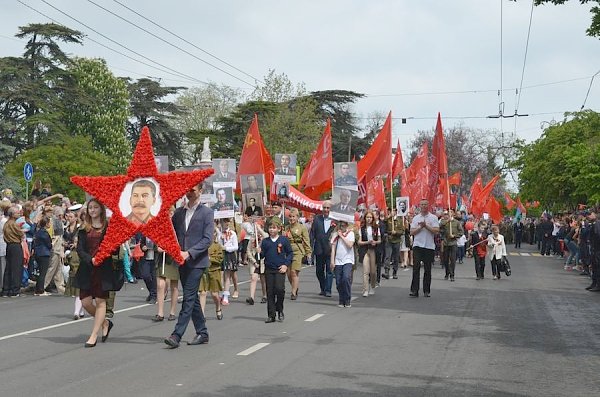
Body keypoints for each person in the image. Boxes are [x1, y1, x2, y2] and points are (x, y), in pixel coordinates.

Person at [164, 184, 214, 348]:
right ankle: (203, 332)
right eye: (187, 190)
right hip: (181, 261)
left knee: (188, 298)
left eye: (193, 190)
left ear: (200, 191)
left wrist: (189, 253)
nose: (189, 193)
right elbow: (170, 233)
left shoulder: (206, 213)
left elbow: (207, 240)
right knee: (191, 298)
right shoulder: (179, 213)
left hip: (197, 262)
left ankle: (177, 335)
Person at [75, 199, 115, 347]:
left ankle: (93, 335)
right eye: (90, 208)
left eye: (95, 207)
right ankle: (105, 323)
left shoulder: (108, 227)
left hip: (103, 269)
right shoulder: (84, 228)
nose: (92, 210)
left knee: (100, 301)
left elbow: (114, 249)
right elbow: (80, 249)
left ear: (101, 209)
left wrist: (104, 255)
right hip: (87, 267)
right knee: (85, 302)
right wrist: (90, 259)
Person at [257, 218, 292, 323]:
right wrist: (258, 252)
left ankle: (279, 309)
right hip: (269, 269)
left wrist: (286, 265)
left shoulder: (283, 240)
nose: (272, 230)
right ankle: (271, 314)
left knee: (280, 289)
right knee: (270, 292)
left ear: (279, 228)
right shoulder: (265, 241)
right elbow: (261, 256)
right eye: (270, 228)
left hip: (280, 269)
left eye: (274, 228)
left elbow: (290, 253)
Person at [409, 199, 440, 298]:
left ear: (428, 205)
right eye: (422, 204)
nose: (423, 206)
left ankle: (426, 290)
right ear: (419, 206)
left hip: (429, 246)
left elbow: (436, 231)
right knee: (416, 268)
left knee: (427, 269)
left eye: (425, 204)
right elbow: (412, 232)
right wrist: (420, 227)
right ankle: (414, 290)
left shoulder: (433, 218)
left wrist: (426, 226)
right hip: (417, 245)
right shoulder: (416, 218)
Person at [285, 208, 311, 300]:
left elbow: (306, 240)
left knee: (294, 272)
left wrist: (308, 252)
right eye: (290, 217)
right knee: (288, 273)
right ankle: (295, 286)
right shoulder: (287, 228)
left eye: (293, 217)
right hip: (287, 252)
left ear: (297, 217)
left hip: (298, 251)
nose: (291, 218)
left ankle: (293, 292)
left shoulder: (301, 227)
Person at [311, 201, 335, 297]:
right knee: (319, 271)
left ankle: (328, 290)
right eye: (324, 208)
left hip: (330, 249)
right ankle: (323, 288)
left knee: (329, 271)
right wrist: (310, 246)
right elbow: (312, 233)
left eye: (328, 208)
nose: (326, 210)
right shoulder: (317, 219)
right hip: (319, 249)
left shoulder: (335, 221)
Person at [330, 220, 355, 308]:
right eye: (341, 225)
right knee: (338, 281)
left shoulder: (350, 233)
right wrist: (332, 261)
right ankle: (341, 298)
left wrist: (342, 236)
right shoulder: (335, 234)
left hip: (348, 260)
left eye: (344, 225)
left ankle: (347, 299)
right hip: (338, 260)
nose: (342, 227)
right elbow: (333, 248)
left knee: (346, 278)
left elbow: (350, 245)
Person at [1, 205, 24, 298]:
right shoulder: (13, 224)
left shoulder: (6, 223)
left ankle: (6, 289)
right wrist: (22, 231)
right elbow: (20, 233)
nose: (19, 214)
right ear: (12, 214)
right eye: (17, 213)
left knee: (8, 268)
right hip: (15, 245)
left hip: (8, 246)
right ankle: (15, 290)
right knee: (16, 268)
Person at [201, 230, 224, 320]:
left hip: (214, 271)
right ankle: (202, 314)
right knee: (203, 293)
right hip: (203, 271)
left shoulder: (217, 246)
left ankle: (218, 307)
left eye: (213, 233)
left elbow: (219, 259)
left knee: (214, 294)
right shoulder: (202, 245)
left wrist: (210, 258)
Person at [357, 211, 381, 297]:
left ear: (373, 218)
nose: (369, 219)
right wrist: (367, 242)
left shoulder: (376, 228)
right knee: (365, 271)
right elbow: (359, 242)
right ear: (365, 218)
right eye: (367, 217)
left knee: (373, 272)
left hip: (373, 250)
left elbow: (379, 240)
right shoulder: (362, 228)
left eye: (370, 217)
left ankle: (372, 286)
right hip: (365, 250)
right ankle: (365, 289)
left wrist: (375, 242)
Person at [153, 249, 180, 322]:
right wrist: (157, 247)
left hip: (174, 258)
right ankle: (160, 313)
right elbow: (155, 240)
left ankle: (172, 312)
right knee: (160, 285)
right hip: (162, 259)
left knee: (174, 287)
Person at [218, 218, 238, 305]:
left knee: (227, 275)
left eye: (227, 221)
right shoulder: (218, 233)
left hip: (229, 255)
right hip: (220, 255)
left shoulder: (232, 233)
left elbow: (236, 246)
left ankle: (226, 296)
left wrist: (226, 248)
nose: (226, 223)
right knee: (220, 275)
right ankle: (220, 293)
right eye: (224, 221)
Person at [440, 210, 464, 282]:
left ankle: (452, 274)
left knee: (453, 260)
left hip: (453, 243)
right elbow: (439, 228)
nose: (448, 214)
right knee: (446, 260)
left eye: (449, 213)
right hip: (446, 243)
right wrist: (447, 221)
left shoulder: (457, 222)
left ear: (453, 214)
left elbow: (461, 232)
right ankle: (447, 273)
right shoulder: (443, 222)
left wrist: (454, 236)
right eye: (446, 214)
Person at [33, 216, 52, 296]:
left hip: (38, 253)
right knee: (43, 272)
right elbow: (48, 243)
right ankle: (41, 290)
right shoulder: (44, 233)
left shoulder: (37, 232)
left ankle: (37, 289)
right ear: (46, 223)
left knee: (40, 271)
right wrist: (51, 245)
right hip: (44, 253)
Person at [384, 211, 404, 279]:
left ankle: (395, 272)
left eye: (394, 211)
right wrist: (389, 216)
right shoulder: (388, 219)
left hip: (397, 240)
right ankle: (386, 271)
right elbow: (382, 223)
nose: (392, 212)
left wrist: (396, 232)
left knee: (395, 257)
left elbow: (402, 231)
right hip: (389, 240)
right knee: (388, 256)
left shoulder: (400, 220)